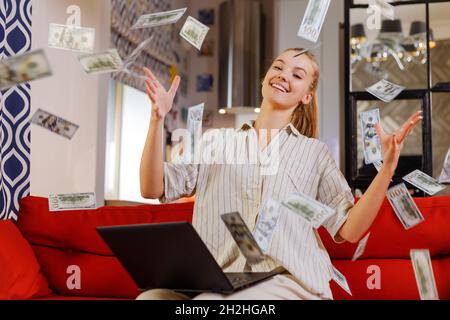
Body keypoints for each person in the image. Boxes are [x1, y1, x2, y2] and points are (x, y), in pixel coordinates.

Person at [138, 48, 422, 300]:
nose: (284, 75)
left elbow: (350, 229)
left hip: (288, 282)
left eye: (297, 75)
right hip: (220, 280)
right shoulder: (218, 142)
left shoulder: (313, 153)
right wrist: (156, 119)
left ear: (306, 96)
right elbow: (152, 188)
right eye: (278, 67)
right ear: (265, 78)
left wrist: (386, 169)